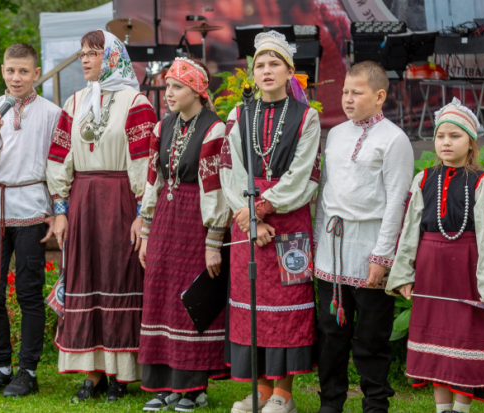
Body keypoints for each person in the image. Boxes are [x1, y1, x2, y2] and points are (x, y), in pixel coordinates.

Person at [387, 98, 484, 413]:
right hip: (431, 270)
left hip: (468, 271)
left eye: (455, 136)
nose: (446, 142)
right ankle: (441, 408)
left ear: (472, 142)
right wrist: (405, 273)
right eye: (440, 136)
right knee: (437, 343)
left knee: (467, 338)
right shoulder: (423, 179)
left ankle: (461, 409)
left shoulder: (483, 183)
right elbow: (408, 231)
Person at [46, 29, 157, 403]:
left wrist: (143, 213)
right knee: (85, 276)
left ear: (112, 57)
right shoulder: (74, 102)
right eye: (81, 54)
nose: (84, 60)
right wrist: (60, 210)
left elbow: (144, 162)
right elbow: (60, 158)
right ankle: (92, 374)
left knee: (119, 275)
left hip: (120, 200)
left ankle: (121, 375)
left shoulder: (136, 101)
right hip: (82, 202)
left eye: (93, 53)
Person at [218, 31, 321, 413]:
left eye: (274, 63)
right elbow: (230, 169)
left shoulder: (306, 117)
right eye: (259, 64)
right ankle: (260, 390)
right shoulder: (239, 113)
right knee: (252, 302)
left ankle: (284, 393)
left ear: (290, 70)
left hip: (287, 219)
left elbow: (303, 174)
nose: (266, 70)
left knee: (287, 302)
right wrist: (249, 218)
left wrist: (263, 209)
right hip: (246, 219)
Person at [312, 61, 414, 413]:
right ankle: (331, 403)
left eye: (357, 92)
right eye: (344, 92)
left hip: (370, 248)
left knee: (371, 337)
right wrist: (316, 244)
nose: (347, 99)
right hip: (332, 249)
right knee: (330, 333)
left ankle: (375, 405)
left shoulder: (394, 140)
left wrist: (382, 256)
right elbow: (325, 194)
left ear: (379, 96)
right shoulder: (337, 134)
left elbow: (397, 201)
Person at [136, 57, 229, 412]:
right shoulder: (163, 127)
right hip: (164, 218)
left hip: (195, 219)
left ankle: (193, 388)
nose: (168, 93)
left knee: (189, 299)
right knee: (160, 294)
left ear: (197, 90)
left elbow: (215, 190)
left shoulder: (214, 129)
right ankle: (164, 384)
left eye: (176, 86)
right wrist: (145, 231)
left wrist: (213, 243)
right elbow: (152, 180)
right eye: (167, 86)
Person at [0, 43, 60, 397]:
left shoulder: (51, 113)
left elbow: (56, 165)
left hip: (32, 205)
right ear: (2, 71)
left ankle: (28, 370)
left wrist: (57, 208)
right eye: (10, 71)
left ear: (36, 73)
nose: (16, 77)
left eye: (23, 71)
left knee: (28, 291)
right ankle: (1, 366)